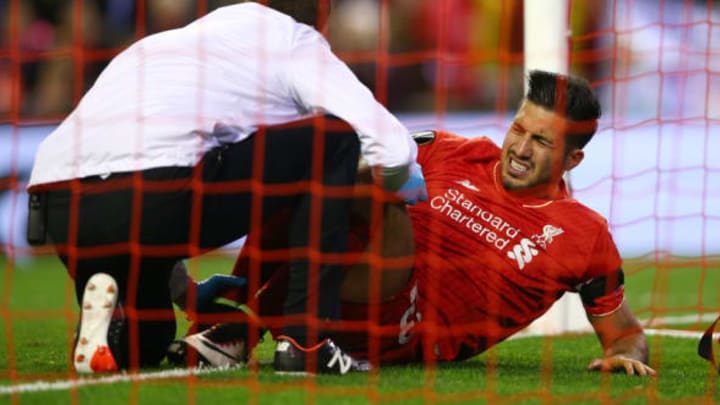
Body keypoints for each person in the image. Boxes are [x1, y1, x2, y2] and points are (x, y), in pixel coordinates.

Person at [26, 0, 427, 375]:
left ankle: (110, 317)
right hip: (153, 195)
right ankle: (306, 341)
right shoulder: (291, 39)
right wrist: (401, 190)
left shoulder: (168, 43)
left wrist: (185, 291)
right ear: (324, 11)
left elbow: (134, 157)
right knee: (335, 139)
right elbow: (391, 149)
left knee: (148, 342)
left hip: (62, 210)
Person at [170, 70, 656, 376]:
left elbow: (624, 333)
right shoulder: (450, 149)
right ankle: (234, 323)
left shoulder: (582, 234)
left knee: (384, 193)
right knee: (320, 164)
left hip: (412, 327)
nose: (521, 149)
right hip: (353, 273)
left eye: (542, 143)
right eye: (518, 129)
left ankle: (251, 321)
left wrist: (627, 355)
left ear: (573, 158)